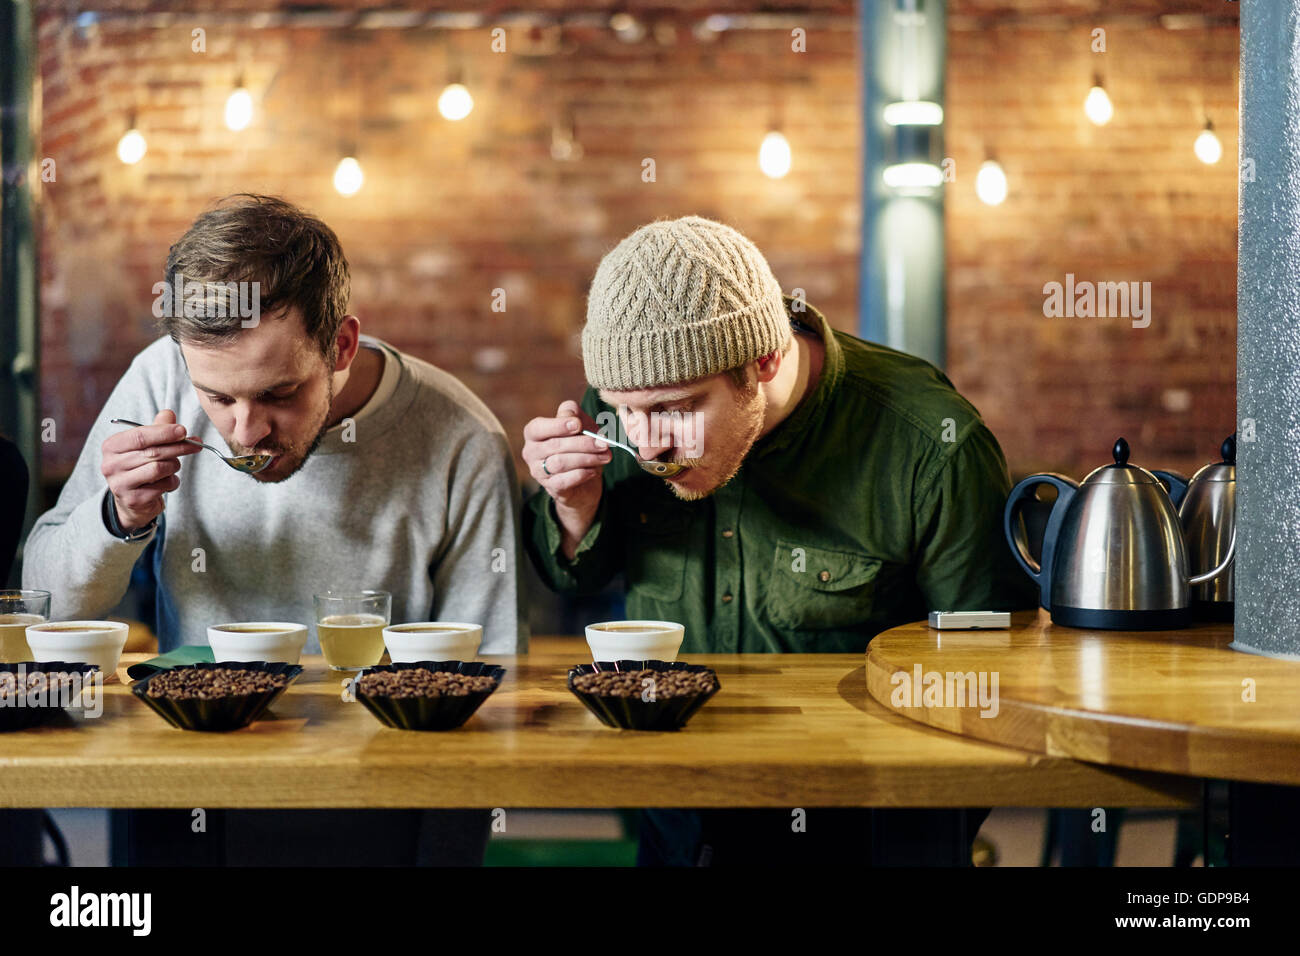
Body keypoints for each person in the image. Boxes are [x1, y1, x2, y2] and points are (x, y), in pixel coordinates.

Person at [24, 194, 526, 865]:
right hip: (192, 781)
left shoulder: (461, 439)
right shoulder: (157, 384)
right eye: (217, 397)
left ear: (341, 344)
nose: (244, 430)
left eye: (279, 394)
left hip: (384, 792)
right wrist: (117, 519)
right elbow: (46, 604)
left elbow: (487, 678)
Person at [522, 215, 1037, 866]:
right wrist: (573, 507)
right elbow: (575, 576)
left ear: (763, 359)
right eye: (624, 408)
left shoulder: (929, 446)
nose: (646, 444)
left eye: (673, 409)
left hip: (862, 834)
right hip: (680, 825)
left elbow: (988, 676)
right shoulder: (642, 395)